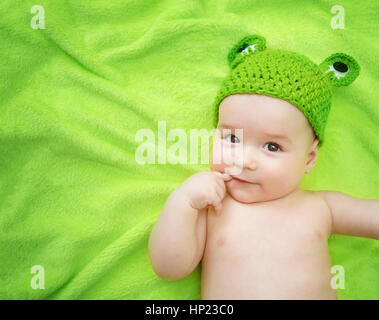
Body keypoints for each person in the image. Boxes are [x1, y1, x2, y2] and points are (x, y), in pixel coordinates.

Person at [148, 35, 379, 299]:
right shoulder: (213, 207)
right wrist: (183, 202)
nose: (244, 161)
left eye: (272, 147)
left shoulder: (323, 207)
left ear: (309, 159)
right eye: (232, 138)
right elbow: (169, 268)